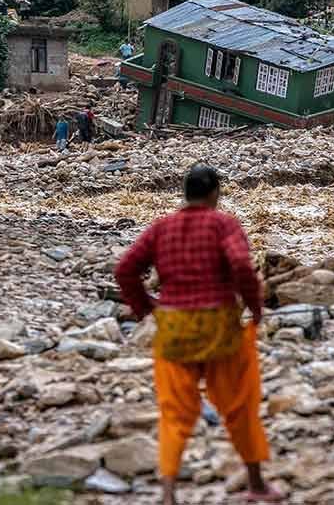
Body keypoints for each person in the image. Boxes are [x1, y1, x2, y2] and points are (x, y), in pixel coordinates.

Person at [114, 165, 281, 505]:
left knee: (174, 411)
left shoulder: (162, 228)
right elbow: (241, 266)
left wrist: (146, 308)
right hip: (219, 325)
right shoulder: (223, 224)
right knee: (239, 405)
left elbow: (125, 269)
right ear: (215, 193)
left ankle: (169, 492)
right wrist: (255, 306)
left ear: (185, 193)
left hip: (174, 327)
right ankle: (256, 484)